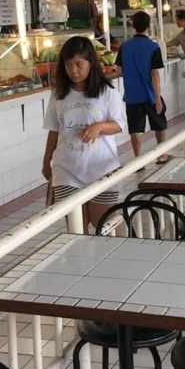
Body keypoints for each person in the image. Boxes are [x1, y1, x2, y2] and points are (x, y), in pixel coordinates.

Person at [42, 36, 127, 230]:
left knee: (105, 226)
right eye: (68, 64)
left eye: (79, 64)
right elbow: (54, 131)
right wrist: (46, 162)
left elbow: (119, 125)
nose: (73, 70)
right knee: (76, 230)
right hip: (66, 171)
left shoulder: (107, 92)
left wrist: (100, 127)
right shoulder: (58, 95)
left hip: (102, 169)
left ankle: (124, 250)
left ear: (91, 63)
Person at [115, 11, 169, 163]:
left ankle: (138, 159)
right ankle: (161, 154)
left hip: (132, 95)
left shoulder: (124, 47)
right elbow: (154, 74)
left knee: (135, 129)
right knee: (159, 125)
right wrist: (157, 98)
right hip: (150, 95)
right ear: (148, 26)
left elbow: (119, 70)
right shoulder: (153, 47)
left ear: (133, 25)